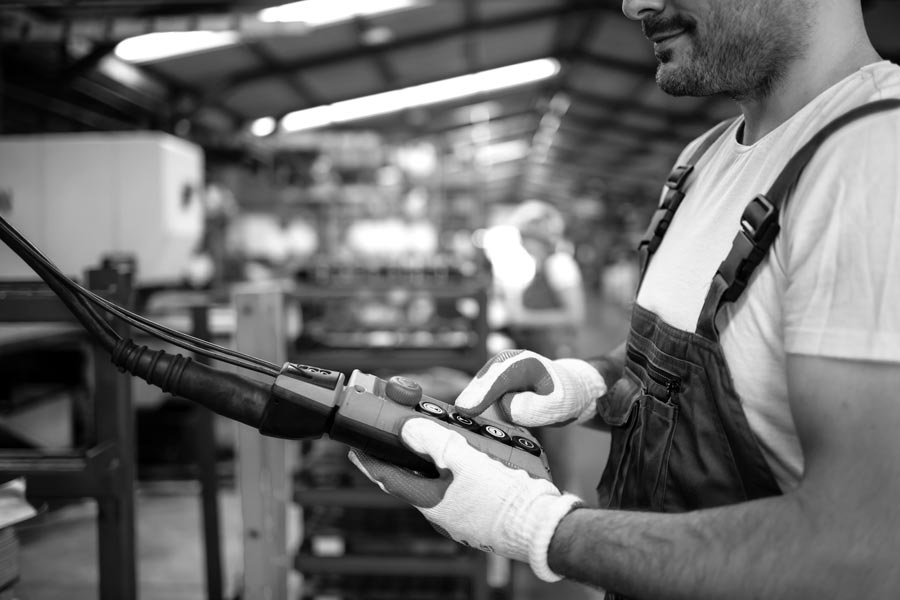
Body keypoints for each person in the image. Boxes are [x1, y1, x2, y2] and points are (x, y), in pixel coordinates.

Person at [349, 0, 900, 597]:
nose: (633, 4)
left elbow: (863, 549)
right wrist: (586, 382)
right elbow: (696, 369)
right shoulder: (701, 160)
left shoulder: (875, 156)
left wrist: (537, 527)